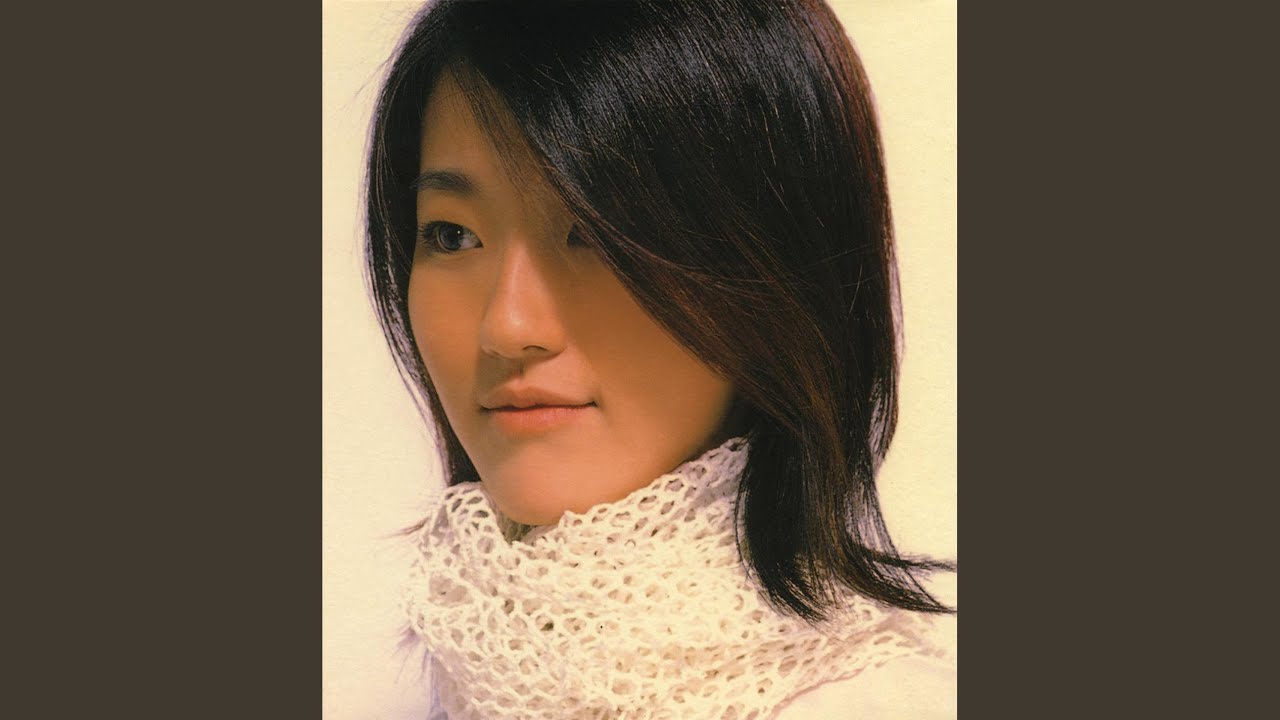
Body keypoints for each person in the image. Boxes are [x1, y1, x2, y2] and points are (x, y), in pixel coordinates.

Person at [360, 1, 956, 717]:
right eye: (452, 236)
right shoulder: (460, 674)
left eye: (594, 234)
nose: (509, 327)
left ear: (777, 268)